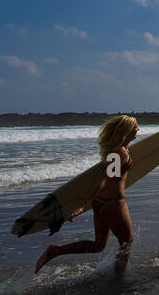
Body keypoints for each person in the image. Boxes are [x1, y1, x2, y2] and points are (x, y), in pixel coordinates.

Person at [35, 114, 138, 274]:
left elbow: (106, 177)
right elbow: (105, 179)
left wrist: (88, 202)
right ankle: (118, 280)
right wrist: (82, 204)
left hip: (101, 203)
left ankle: (55, 251)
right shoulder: (120, 152)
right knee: (126, 242)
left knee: (99, 245)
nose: (138, 129)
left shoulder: (116, 151)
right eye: (135, 127)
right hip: (114, 203)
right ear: (126, 130)